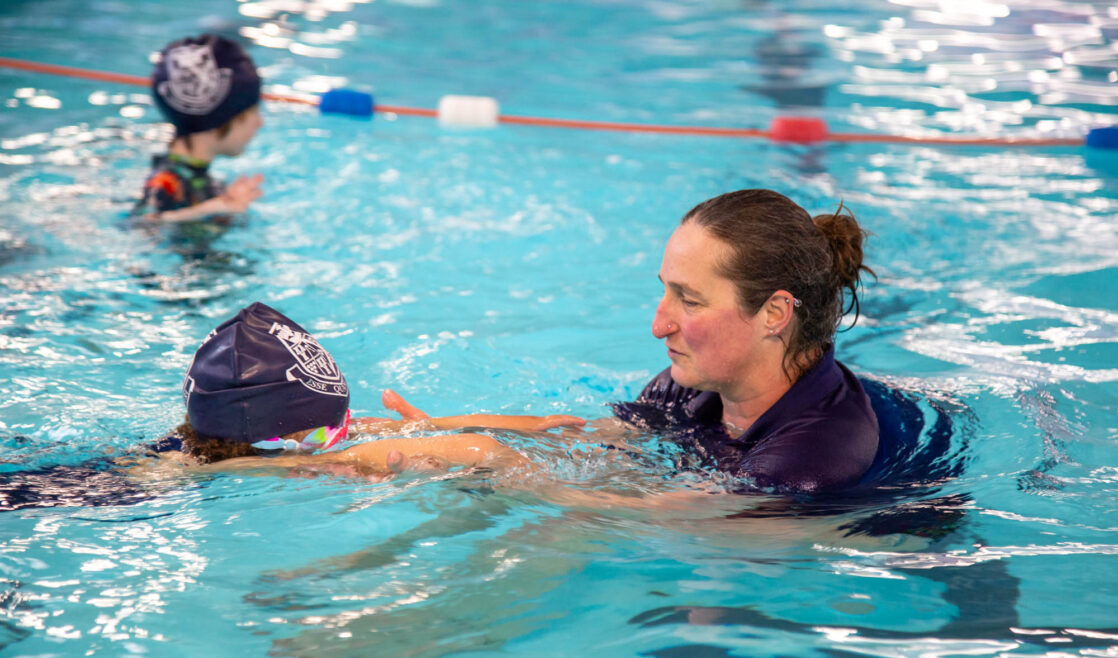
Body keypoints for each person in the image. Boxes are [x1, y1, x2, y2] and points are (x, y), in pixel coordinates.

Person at [612, 188, 880, 493]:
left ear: (774, 313)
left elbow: (636, 512)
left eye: (689, 301)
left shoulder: (808, 460)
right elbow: (607, 452)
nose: (659, 328)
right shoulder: (685, 387)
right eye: (666, 292)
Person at [163, 301, 582, 477]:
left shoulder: (237, 440)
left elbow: (414, 431)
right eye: (325, 435)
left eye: (343, 423)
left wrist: (532, 425)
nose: (344, 436)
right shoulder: (164, 479)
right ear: (265, 442)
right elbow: (478, 451)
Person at [132, 35, 264, 223]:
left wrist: (225, 207)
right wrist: (209, 209)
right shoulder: (166, 180)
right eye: (253, 113)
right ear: (223, 117)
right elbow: (141, 224)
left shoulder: (202, 179)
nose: (260, 123)